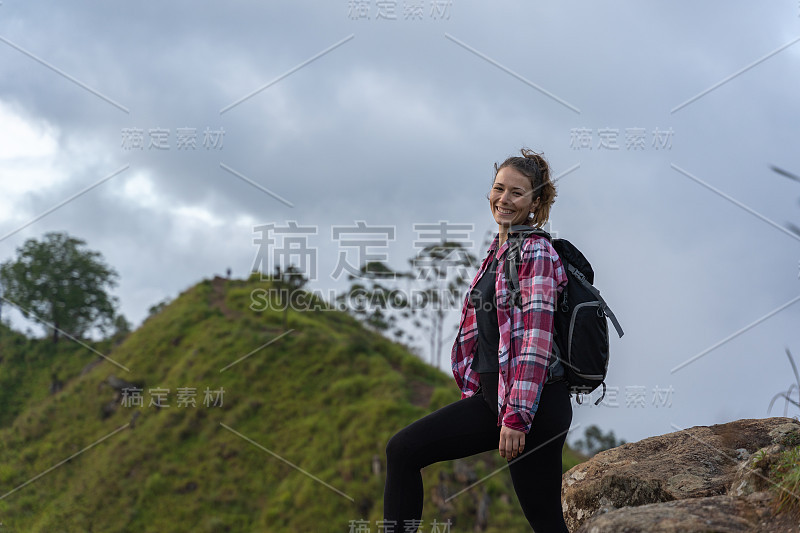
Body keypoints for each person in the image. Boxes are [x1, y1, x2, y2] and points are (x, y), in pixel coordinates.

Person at [383, 148, 572, 532]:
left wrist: (517, 419)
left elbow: (535, 343)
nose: (504, 199)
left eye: (517, 193)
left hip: (532, 408)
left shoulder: (535, 253)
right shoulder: (500, 250)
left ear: (535, 202)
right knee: (403, 451)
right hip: (498, 402)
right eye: (499, 188)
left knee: (546, 521)